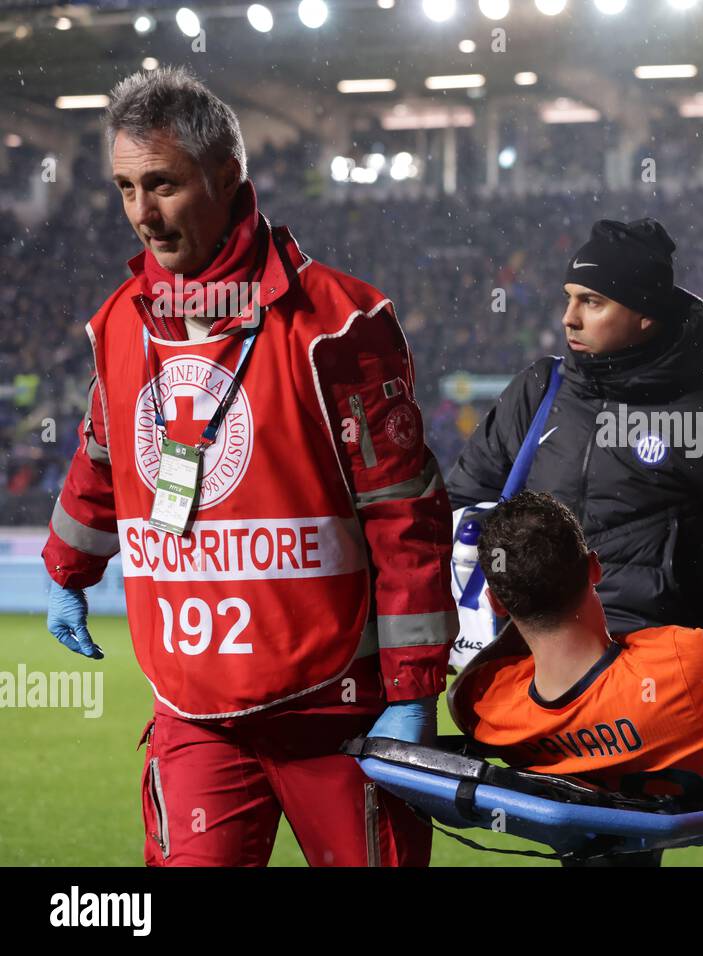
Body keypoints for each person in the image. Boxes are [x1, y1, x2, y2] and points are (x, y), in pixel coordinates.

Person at [41, 66, 457, 866]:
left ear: (228, 176)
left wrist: (411, 691)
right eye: (126, 188)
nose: (142, 215)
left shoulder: (338, 326)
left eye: (162, 185)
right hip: (191, 711)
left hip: (336, 713)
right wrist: (67, 568)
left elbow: (406, 514)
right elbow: (100, 456)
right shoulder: (120, 325)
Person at [444, 218, 703, 662]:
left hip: (658, 680)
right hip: (530, 665)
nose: (569, 318)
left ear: (645, 315)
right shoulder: (538, 391)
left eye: (591, 302)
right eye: (569, 298)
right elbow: (460, 508)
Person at [448, 491, 703, 808]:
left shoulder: (486, 708)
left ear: (496, 604)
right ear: (595, 568)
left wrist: (517, 596)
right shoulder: (685, 662)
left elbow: (463, 690)